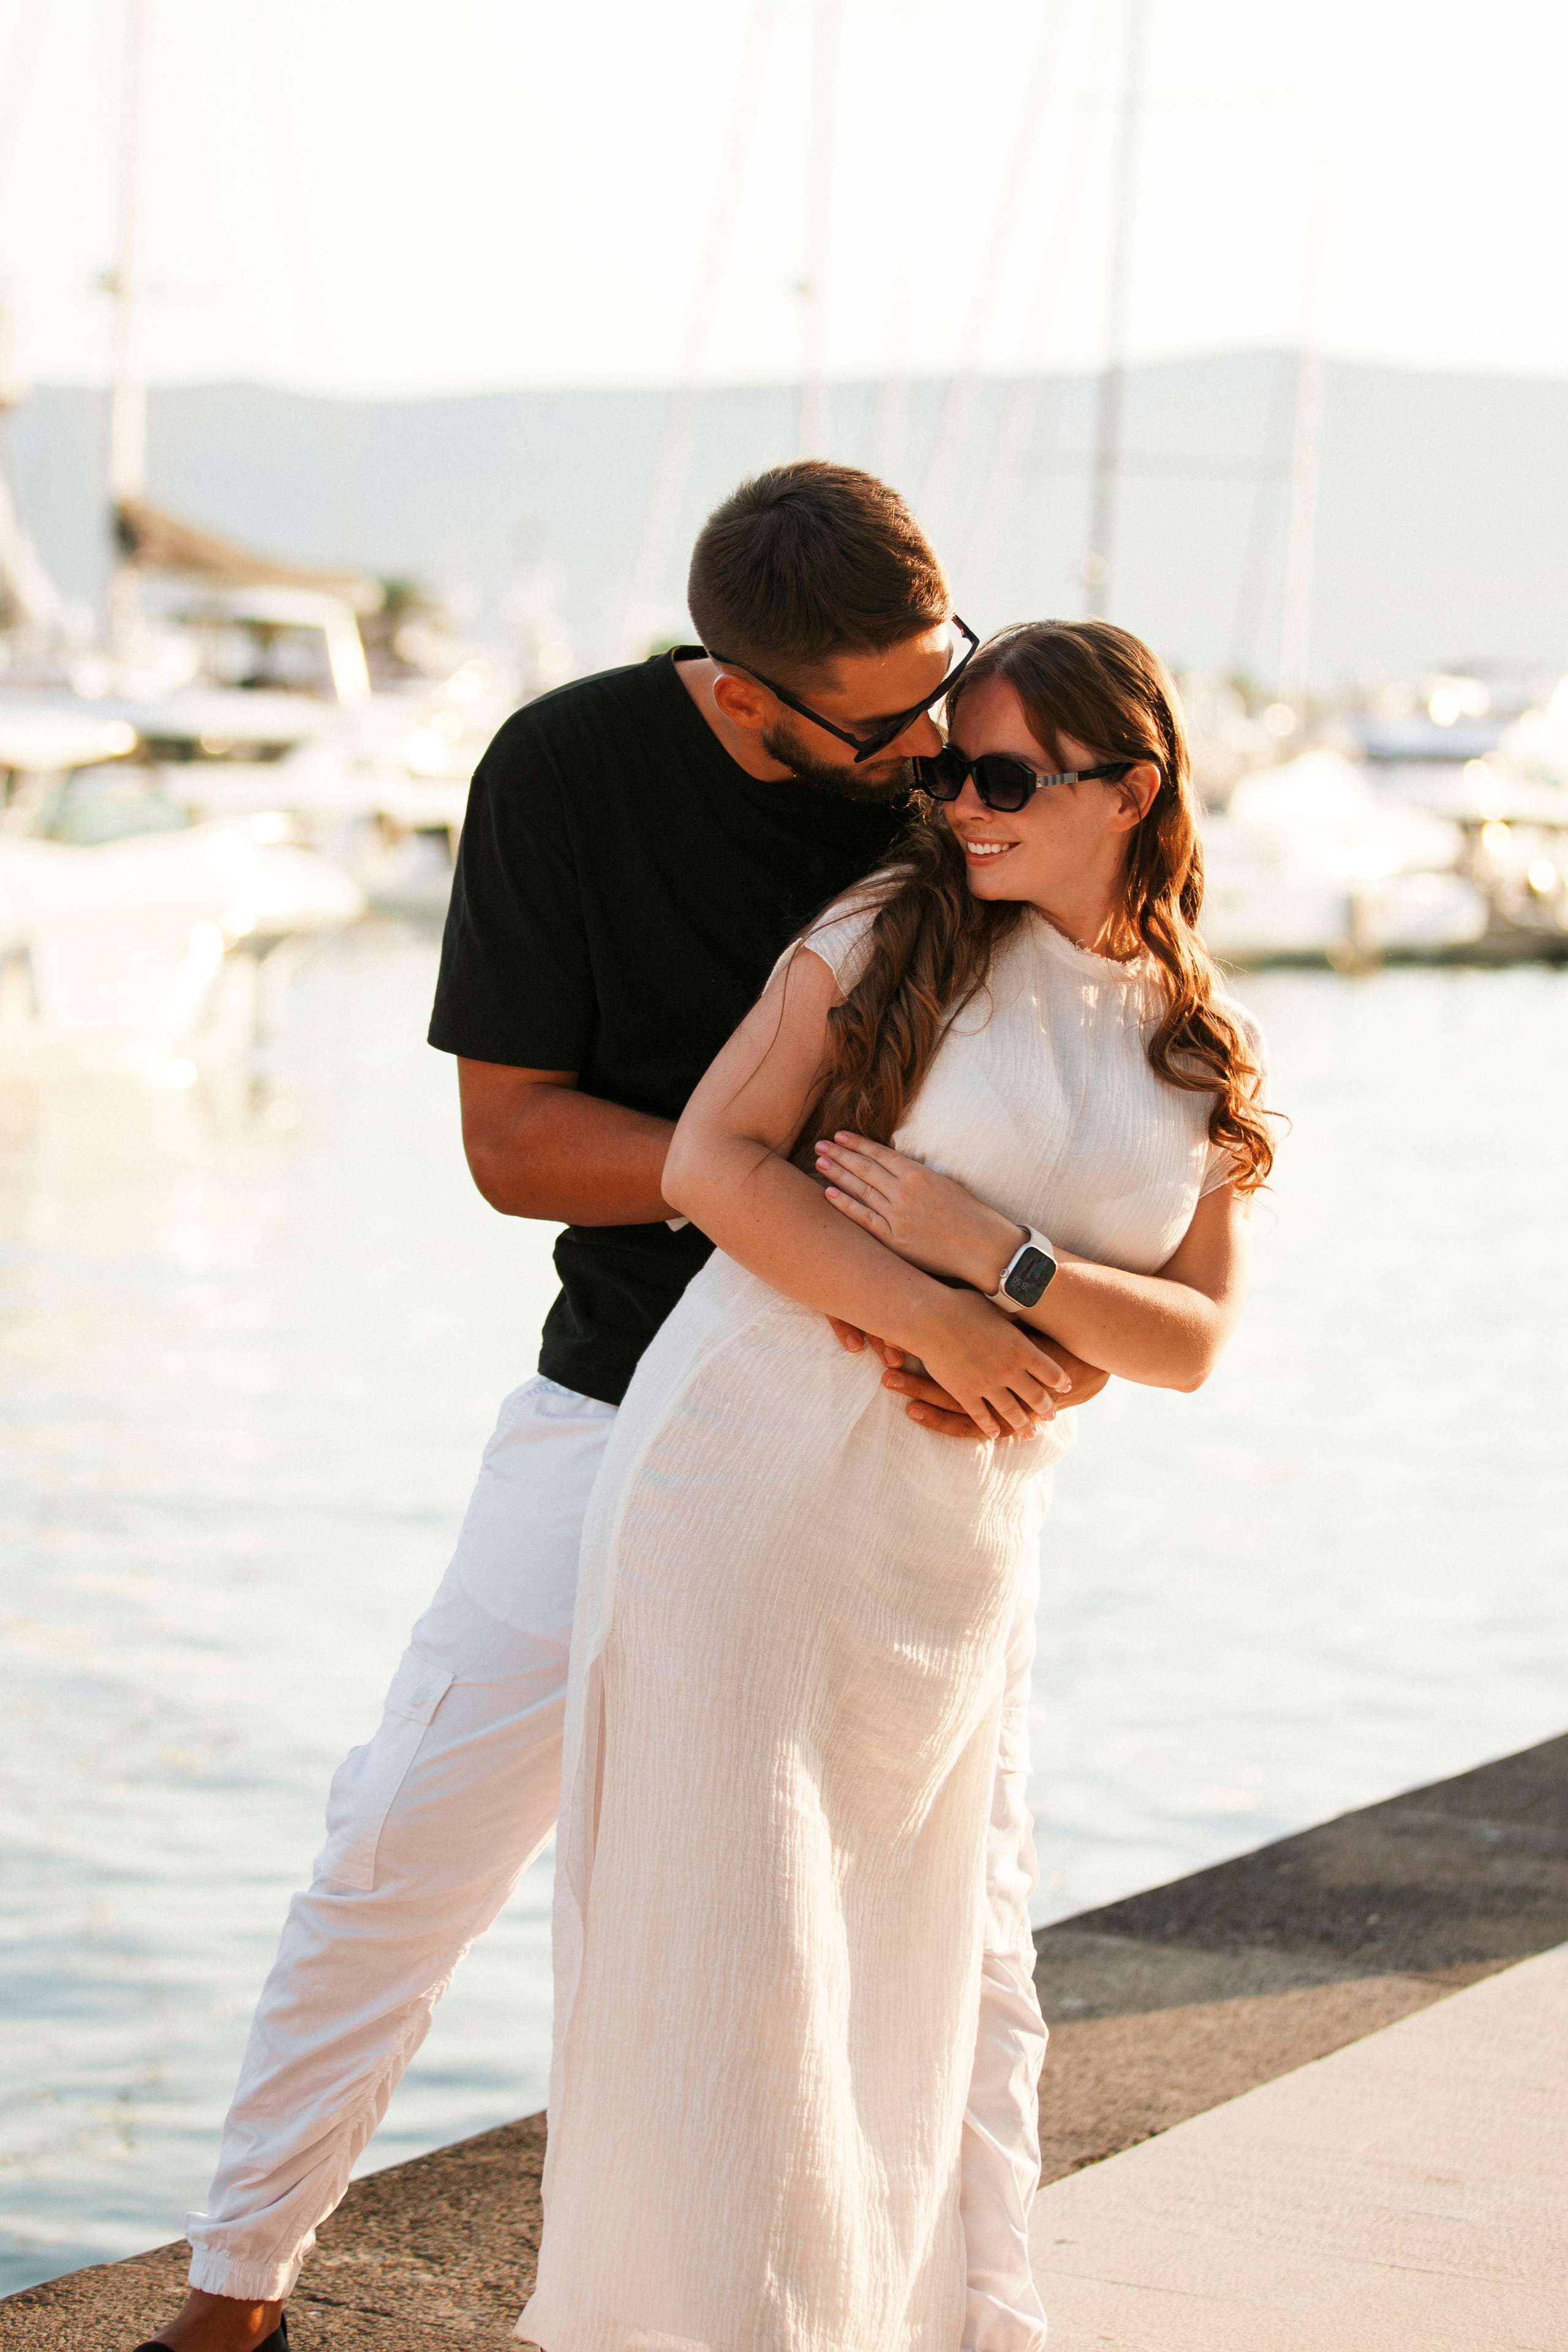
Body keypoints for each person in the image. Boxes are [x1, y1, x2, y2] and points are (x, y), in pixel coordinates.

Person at [139, 467, 1104, 2352]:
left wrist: (977, 1299)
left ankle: (995, 2326)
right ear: (743, 694)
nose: (938, 745)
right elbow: (513, 1142)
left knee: (965, 1919)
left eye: (950, 680)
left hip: (910, 1427)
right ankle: (233, 2288)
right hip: (626, 1401)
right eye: (890, 715)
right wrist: (792, 1207)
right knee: (411, 1836)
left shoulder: (976, 774)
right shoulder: (564, 773)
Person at [518, 617, 1272, 2352]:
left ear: (1128, 789)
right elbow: (713, 1163)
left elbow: (1195, 1340)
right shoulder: (884, 936)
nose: (957, 805)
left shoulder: (1195, 1038)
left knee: (924, 1974)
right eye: (944, 770)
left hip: (953, 1553)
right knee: (749, 1966)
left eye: (1000, 778)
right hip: (749, 1491)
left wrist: (995, 1266)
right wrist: (934, 1311)